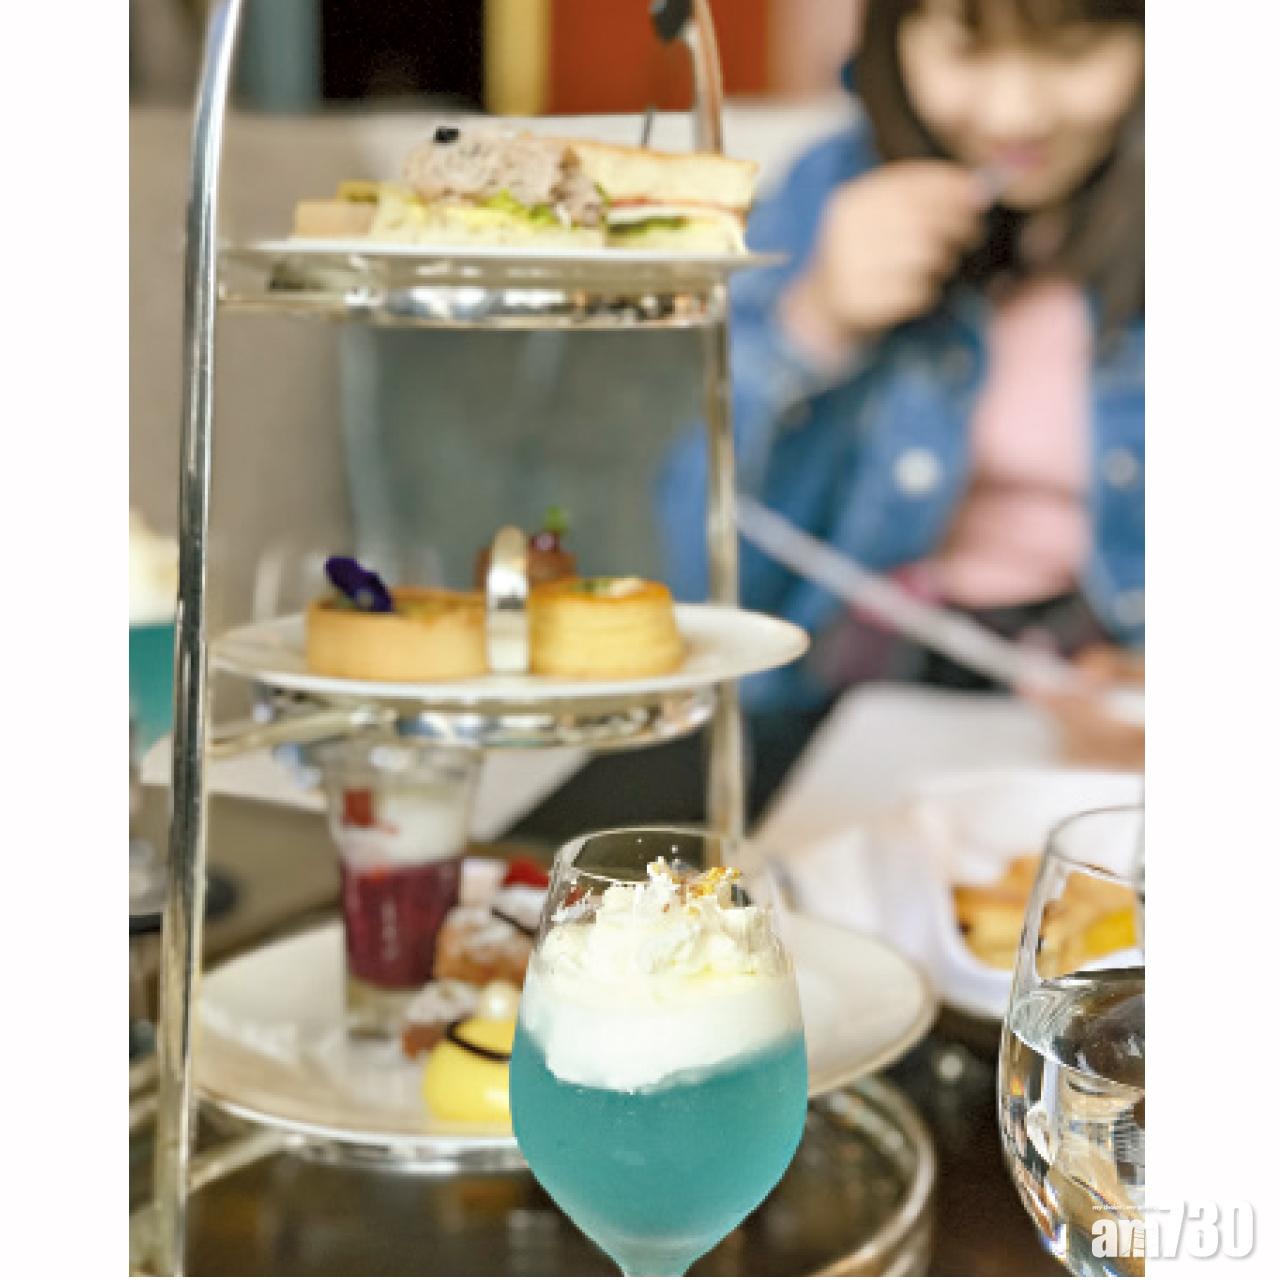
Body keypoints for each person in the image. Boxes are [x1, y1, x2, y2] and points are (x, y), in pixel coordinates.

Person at [658, 0, 1145, 799]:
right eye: (966, 47)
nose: (1015, 113)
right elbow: (710, 569)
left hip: (1107, 684)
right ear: (893, 34)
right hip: (856, 681)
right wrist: (816, 322)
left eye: (1073, 49)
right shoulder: (824, 191)